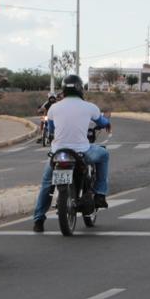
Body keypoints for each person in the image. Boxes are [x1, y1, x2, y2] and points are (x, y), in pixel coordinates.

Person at [32, 74, 111, 232]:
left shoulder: (54, 108)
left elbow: (52, 129)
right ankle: (100, 193)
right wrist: (107, 122)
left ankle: (38, 220)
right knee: (103, 155)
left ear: (63, 90)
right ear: (80, 88)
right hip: (82, 152)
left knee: (47, 185)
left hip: (58, 153)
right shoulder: (89, 107)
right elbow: (102, 122)